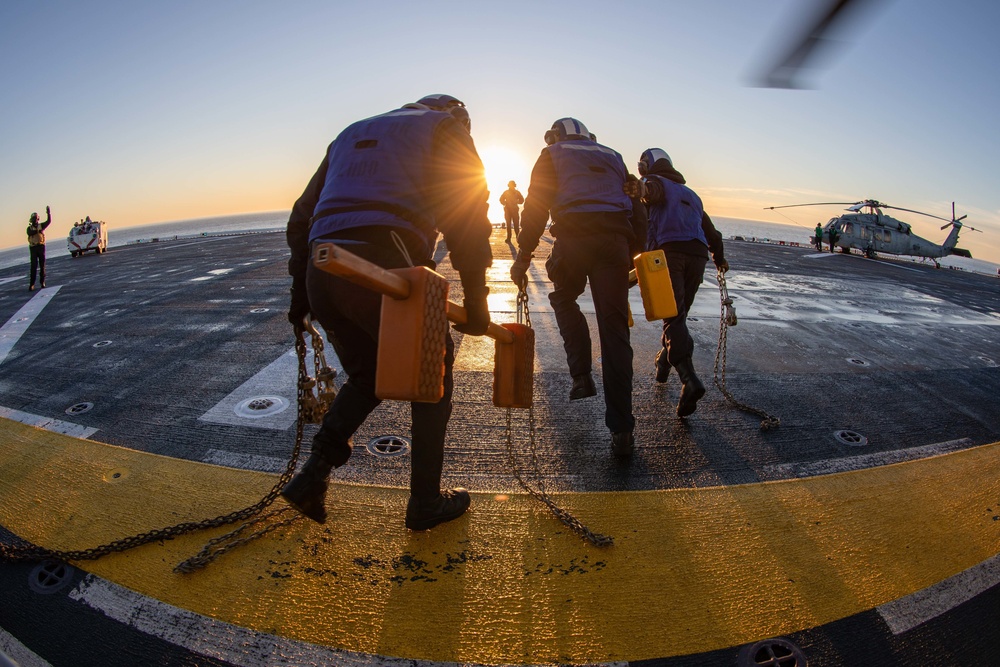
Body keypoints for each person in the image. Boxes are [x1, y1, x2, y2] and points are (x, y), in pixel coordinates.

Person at [282, 93, 493, 530]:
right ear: (459, 117)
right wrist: (476, 303)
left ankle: (312, 476)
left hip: (325, 272)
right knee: (432, 376)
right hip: (386, 262)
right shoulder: (445, 128)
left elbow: (301, 219)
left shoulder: (350, 132)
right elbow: (467, 216)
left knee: (368, 375)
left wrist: (301, 295)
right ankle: (425, 502)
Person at [509, 118, 644, 459]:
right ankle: (623, 429)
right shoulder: (613, 155)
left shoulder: (551, 153)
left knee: (563, 297)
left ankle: (581, 375)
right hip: (614, 243)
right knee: (615, 333)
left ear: (556, 136)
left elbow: (537, 206)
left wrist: (523, 257)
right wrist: (634, 255)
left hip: (573, 240)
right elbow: (636, 203)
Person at [637, 148, 728, 418]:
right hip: (697, 256)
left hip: (668, 256)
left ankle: (689, 380)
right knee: (678, 315)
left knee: (672, 317)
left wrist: (638, 189)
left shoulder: (656, 184)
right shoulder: (692, 196)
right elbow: (712, 233)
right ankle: (663, 364)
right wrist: (719, 259)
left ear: (644, 167)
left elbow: (647, 191)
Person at [26, 206, 52, 291]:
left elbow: (48, 222)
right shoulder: (29, 228)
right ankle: (32, 284)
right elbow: (30, 232)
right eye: (34, 219)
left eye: (36, 219)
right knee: (33, 266)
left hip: (41, 247)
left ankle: (42, 282)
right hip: (33, 248)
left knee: (42, 266)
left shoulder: (41, 226)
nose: (35, 221)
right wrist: (38, 231)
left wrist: (48, 213)